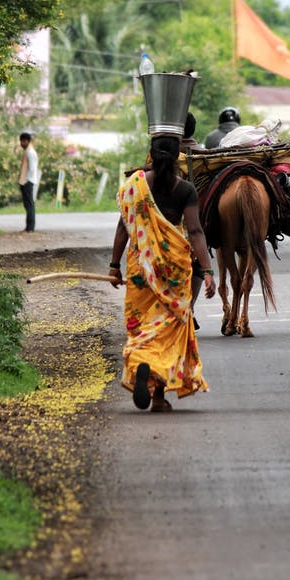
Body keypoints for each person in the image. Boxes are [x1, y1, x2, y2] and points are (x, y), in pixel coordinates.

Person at [109, 135, 216, 412]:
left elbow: (123, 227)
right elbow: (195, 231)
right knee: (169, 328)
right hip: (175, 270)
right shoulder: (186, 190)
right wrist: (207, 271)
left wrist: (113, 265)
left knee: (141, 326)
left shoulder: (135, 186)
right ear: (179, 156)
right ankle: (158, 396)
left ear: (151, 155)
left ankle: (143, 362)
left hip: (139, 270)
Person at [180, 113, 204, 329]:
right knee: (197, 264)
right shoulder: (205, 155)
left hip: (165, 221)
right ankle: (190, 307)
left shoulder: (160, 156)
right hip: (195, 220)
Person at [18, 131, 39, 232]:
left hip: (28, 181)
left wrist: (26, 180)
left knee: (29, 205)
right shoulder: (27, 151)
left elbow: (32, 168)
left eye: (22, 141)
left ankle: (30, 227)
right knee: (27, 205)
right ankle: (28, 227)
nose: (21, 144)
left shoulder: (31, 152)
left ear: (26, 141)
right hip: (26, 181)